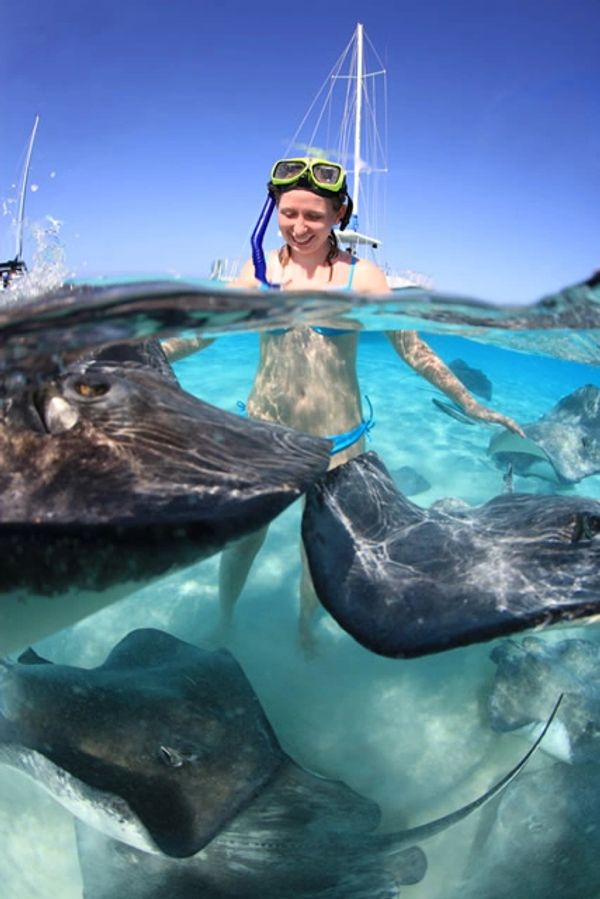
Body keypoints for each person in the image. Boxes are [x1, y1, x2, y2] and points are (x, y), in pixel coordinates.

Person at [172, 157, 525, 652]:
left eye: (313, 216)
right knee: (242, 539)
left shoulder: (365, 280)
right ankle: (225, 621)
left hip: (339, 444)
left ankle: (305, 633)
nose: (298, 227)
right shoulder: (257, 274)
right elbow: (201, 334)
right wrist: (148, 354)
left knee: (318, 550)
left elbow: (412, 349)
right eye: (288, 212)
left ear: (339, 214)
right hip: (265, 437)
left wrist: (470, 403)